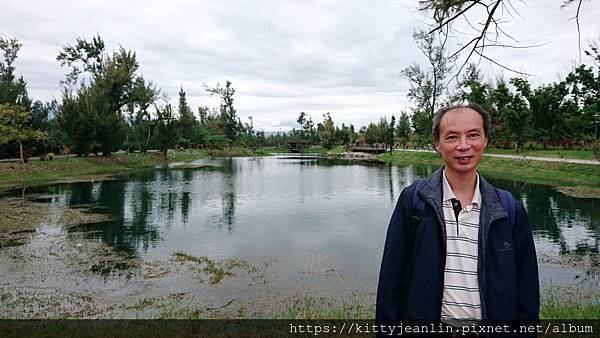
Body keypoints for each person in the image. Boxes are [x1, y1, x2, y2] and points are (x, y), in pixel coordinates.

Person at [376, 104, 539, 325]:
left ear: (485, 140)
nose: (464, 146)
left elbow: (527, 290)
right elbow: (390, 280)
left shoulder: (508, 210)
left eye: (473, 135)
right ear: (437, 144)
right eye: (452, 137)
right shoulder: (414, 202)